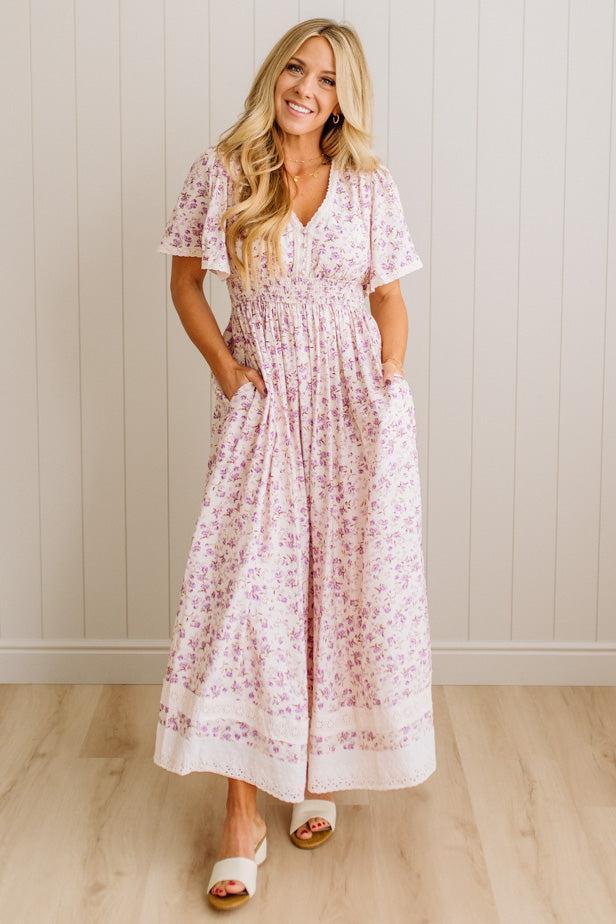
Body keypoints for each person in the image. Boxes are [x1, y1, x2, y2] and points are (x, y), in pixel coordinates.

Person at [154, 16, 436, 911]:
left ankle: (311, 773)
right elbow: (186, 281)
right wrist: (230, 372)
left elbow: (388, 300)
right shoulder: (224, 170)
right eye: (293, 69)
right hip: (265, 407)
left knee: (331, 591)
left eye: (323, 78)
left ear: (344, 99)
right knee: (250, 592)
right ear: (275, 77)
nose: (303, 88)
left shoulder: (369, 185)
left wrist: (390, 380)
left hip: (354, 407)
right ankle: (242, 817)